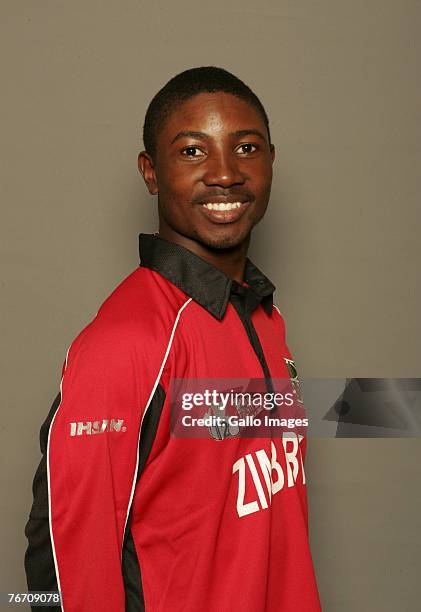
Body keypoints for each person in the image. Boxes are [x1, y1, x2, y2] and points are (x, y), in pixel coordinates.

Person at [24, 66, 322, 611]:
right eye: (192, 151)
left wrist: (391, 406)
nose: (226, 174)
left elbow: (234, 430)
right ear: (151, 171)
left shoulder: (261, 316)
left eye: (247, 148)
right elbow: (61, 562)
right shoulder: (129, 340)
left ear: (271, 161)